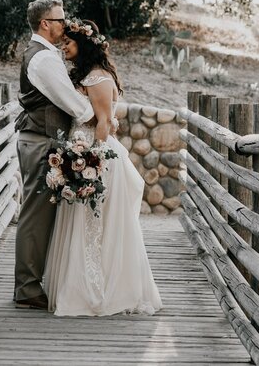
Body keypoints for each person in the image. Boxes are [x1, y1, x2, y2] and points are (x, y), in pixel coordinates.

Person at [43, 18, 162, 316]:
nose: (64, 48)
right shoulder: (86, 75)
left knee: (95, 224)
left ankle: (97, 291)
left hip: (95, 157)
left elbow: (105, 123)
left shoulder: (99, 78)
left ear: (82, 45)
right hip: (78, 152)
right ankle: (77, 285)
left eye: (68, 43)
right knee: (80, 223)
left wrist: (92, 162)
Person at [12, 0, 94, 310]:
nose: (65, 24)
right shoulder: (43, 59)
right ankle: (27, 288)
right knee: (35, 215)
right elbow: (72, 103)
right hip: (40, 140)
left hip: (43, 138)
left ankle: (32, 282)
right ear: (45, 23)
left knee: (40, 214)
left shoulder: (45, 54)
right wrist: (101, 115)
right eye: (60, 19)